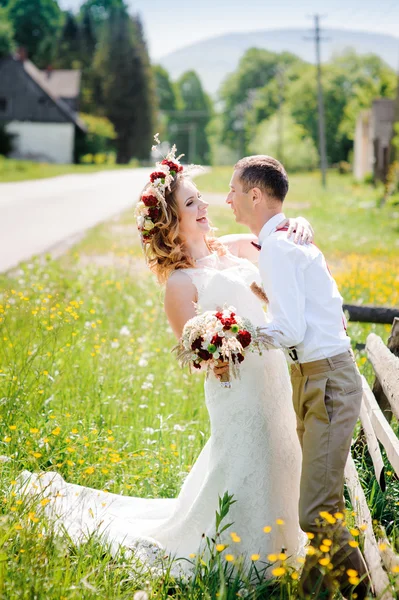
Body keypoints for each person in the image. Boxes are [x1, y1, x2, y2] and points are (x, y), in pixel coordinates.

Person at [17, 144, 313, 579]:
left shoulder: (233, 248)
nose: (205, 204)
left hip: (274, 383)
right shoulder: (179, 284)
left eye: (200, 198)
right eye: (192, 202)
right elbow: (194, 356)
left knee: (284, 456)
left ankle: (285, 546)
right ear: (172, 222)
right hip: (238, 394)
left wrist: (300, 224)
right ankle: (246, 560)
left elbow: (278, 233)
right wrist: (221, 349)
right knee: (253, 462)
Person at [223, 154, 373, 599]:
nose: (227, 199)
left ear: (254, 195)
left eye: (233, 190)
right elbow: (315, 305)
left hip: (325, 380)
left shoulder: (282, 247)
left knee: (316, 513)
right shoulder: (283, 240)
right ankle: (311, 593)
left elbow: (290, 330)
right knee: (320, 505)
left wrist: (235, 336)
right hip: (313, 377)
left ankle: (371, 591)